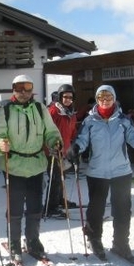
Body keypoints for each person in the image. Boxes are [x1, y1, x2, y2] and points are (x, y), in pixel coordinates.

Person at [67, 84, 134, 262]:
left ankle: (121, 243)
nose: (105, 101)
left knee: (122, 209)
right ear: (97, 100)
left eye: (108, 98)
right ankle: (94, 238)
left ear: (114, 99)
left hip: (121, 170)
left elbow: (133, 136)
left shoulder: (123, 120)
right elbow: (82, 139)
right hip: (97, 171)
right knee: (96, 209)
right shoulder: (90, 121)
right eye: (101, 98)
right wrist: (75, 148)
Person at [0, 74, 62, 260]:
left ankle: (33, 241)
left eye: (27, 88)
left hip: (36, 165)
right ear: (13, 89)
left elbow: (51, 131)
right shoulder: (6, 111)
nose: (23, 93)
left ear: (31, 90)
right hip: (14, 166)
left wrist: (55, 142)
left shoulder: (39, 108)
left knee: (35, 206)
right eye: (19, 89)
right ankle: (14, 243)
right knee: (15, 208)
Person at [45, 84, 78, 218]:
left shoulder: (71, 113)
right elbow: (45, 130)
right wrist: (50, 146)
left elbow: (72, 132)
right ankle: (50, 207)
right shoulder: (54, 111)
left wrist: (74, 146)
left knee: (60, 178)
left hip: (64, 151)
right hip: (52, 151)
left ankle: (59, 200)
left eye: (70, 97)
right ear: (60, 97)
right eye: (65, 97)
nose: (68, 99)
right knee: (55, 178)